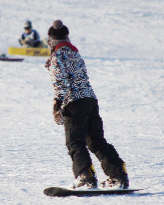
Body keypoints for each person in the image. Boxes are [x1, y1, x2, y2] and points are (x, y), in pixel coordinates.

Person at [45, 20, 129, 189]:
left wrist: (57, 105)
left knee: (75, 141)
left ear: (51, 42)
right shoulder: (75, 53)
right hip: (90, 100)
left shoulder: (57, 56)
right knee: (97, 141)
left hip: (74, 103)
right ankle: (118, 174)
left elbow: (62, 83)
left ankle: (85, 177)